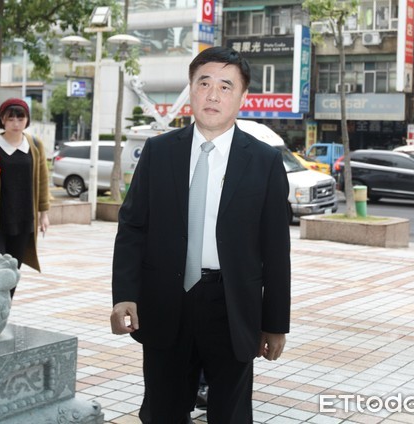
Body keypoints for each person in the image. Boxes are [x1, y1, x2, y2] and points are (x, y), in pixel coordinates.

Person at [110, 46, 291, 423]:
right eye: (204, 83)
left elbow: (276, 249)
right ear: (190, 89)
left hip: (232, 306)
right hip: (166, 303)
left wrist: (275, 324)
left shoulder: (264, 161)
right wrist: (124, 294)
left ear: (243, 97)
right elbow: (132, 227)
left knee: (230, 415)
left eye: (226, 86)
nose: (213, 95)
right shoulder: (158, 152)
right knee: (162, 412)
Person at [0, 98, 50, 298]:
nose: (15, 123)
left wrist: (44, 213)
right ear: (2, 120)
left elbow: (42, 179)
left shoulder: (35, 145)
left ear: (27, 120)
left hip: (24, 219)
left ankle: (5, 308)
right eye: (10, 118)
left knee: (13, 270)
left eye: (20, 118)